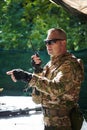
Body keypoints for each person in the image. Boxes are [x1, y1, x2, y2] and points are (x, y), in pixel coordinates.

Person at [6, 28, 84, 130]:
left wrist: (27, 77)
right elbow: (37, 99)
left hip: (64, 123)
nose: (48, 45)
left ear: (63, 43)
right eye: (46, 42)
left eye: (52, 42)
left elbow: (57, 88)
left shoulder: (70, 64)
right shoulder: (50, 65)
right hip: (49, 122)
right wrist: (37, 70)